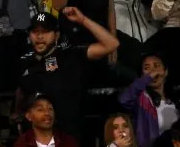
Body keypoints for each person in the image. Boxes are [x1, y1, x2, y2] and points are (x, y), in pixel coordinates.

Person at [17, 9, 119, 139]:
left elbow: (112, 44)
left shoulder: (69, 55)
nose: (40, 36)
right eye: (35, 32)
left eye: (46, 32)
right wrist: (18, 112)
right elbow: (21, 91)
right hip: (35, 139)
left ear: (56, 35)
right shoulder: (23, 61)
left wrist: (83, 20)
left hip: (68, 137)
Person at [117, 52, 179, 147]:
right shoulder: (141, 100)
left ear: (166, 71)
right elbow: (124, 99)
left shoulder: (177, 102)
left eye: (157, 66)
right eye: (147, 68)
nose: (153, 71)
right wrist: (147, 78)